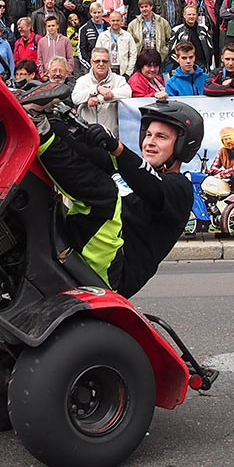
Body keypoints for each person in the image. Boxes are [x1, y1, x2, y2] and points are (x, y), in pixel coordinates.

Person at [22, 93, 201, 298]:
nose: (150, 142)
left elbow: (149, 184)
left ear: (182, 146)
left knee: (107, 196)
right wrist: (62, 124)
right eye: (148, 134)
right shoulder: (124, 168)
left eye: (161, 137)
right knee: (73, 165)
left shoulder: (180, 189)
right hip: (87, 244)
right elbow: (93, 154)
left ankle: (40, 128)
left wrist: (116, 147)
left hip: (111, 275)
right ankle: (32, 123)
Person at [71, 47, 131, 135]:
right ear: (92, 62)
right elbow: (75, 98)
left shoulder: (118, 80)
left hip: (111, 136)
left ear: (109, 63)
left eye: (104, 61)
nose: (101, 64)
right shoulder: (82, 80)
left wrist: (99, 99)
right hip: (88, 136)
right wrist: (96, 89)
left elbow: (127, 93)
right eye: (97, 61)